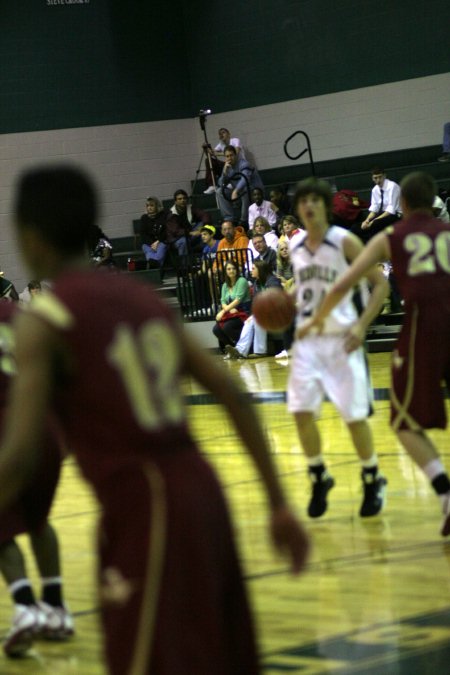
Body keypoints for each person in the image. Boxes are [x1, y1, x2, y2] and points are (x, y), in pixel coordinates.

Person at [0, 164, 309, 674]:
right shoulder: (141, 299)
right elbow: (232, 393)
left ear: (30, 235)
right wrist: (277, 502)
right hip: (203, 493)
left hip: (145, 504)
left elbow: (21, 453)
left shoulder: (48, 322)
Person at [298, 171, 450, 537]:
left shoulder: (390, 236)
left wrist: (313, 319)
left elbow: (344, 282)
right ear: (433, 203)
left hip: (425, 329)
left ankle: (446, 494)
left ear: (402, 204)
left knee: (403, 422)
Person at [288, 177, 389, 519]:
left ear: (326, 206)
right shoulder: (295, 244)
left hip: (341, 339)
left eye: (316, 200)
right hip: (306, 341)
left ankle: (372, 476)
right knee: (301, 413)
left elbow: (380, 284)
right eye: (304, 201)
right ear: (298, 209)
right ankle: (319, 476)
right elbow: (305, 290)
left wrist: (362, 326)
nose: (310, 206)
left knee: (353, 417)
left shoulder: (344, 241)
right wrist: (279, 304)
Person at [0, 301, 73, 657]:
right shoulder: (18, 314)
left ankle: (25, 605)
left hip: (5, 428)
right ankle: (56, 608)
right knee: (38, 519)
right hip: (44, 427)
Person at [225, 260, 281, 360]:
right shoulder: (257, 283)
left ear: (261, 270)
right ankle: (240, 351)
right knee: (248, 321)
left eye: (254, 268)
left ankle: (259, 351)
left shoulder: (273, 281)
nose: (251, 271)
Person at [216, 146, 263, 226]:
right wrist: (224, 173)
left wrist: (235, 191)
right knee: (219, 191)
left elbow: (245, 179)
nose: (229, 158)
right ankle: (229, 219)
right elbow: (221, 184)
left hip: (254, 191)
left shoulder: (244, 164)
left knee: (244, 189)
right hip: (239, 193)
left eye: (231, 155)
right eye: (227, 156)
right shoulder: (228, 167)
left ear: (236, 155)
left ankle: (243, 220)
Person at [212, 259, 251, 354]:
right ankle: (233, 349)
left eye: (233, 268)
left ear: (237, 270)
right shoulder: (225, 285)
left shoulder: (242, 281)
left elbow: (238, 300)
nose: (231, 271)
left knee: (227, 327)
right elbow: (222, 301)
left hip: (244, 312)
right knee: (216, 329)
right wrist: (227, 310)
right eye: (229, 269)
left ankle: (246, 347)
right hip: (231, 313)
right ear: (226, 271)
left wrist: (222, 311)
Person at [358, 167, 401, 241]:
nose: (378, 180)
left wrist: (373, 221)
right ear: (372, 178)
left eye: (380, 177)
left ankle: (374, 247)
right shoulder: (375, 190)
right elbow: (374, 208)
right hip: (384, 213)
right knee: (357, 227)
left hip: (397, 214)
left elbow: (391, 210)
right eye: (375, 178)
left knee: (375, 224)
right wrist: (367, 220)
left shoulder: (392, 186)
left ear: (384, 176)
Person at [167, 189, 210, 256]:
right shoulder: (171, 214)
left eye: (184, 198)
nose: (182, 200)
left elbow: (204, 214)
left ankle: (205, 258)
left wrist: (202, 229)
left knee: (204, 229)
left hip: (189, 235)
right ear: (175, 201)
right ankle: (185, 265)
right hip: (177, 239)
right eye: (179, 199)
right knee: (183, 241)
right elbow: (176, 231)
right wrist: (191, 233)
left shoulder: (190, 208)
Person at [203, 128, 246, 194]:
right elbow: (211, 154)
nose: (221, 135)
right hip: (229, 165)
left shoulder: (235, 140)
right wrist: (206, 149)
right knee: (208, 160)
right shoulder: (221, 145)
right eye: (220, 134)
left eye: (223, 133)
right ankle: (212, 185)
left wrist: (220, 153)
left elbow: (236, 152)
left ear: (229, 134)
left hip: (239, 165)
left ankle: (231, 182)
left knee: (228, 164)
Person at [139, 196, 169, 268]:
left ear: (157, 206)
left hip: (161, 241)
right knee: (148, 250)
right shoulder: (144, 218)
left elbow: (166, 231)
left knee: (161, 249)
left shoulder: (163, 215)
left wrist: (158, 242)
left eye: (152, 205)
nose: (149, 208)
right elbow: (143, 234)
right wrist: (152, 244)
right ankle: (156, 267)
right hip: (148, 243)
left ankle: (153, 267)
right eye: (147, 206)